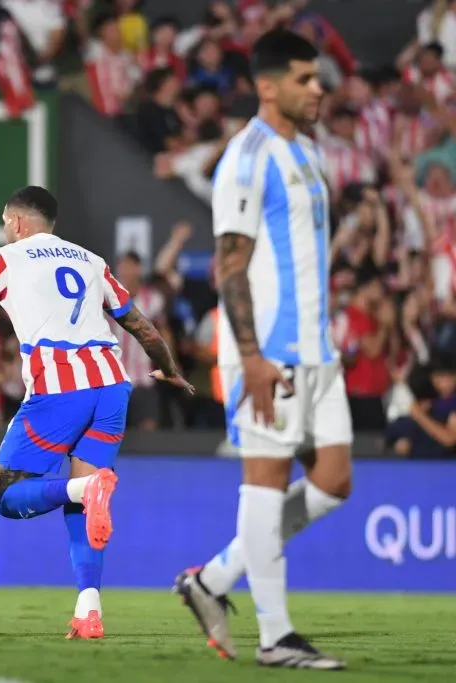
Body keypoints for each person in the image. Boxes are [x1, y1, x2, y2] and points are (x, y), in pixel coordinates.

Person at [0, 185, 192, 639]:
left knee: (6, 495)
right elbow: (141, 326)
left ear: (18, 223)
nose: (6, 231)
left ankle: (89, 495)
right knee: (81, 495)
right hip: (111, 385)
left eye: (6, 223)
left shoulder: (6, 259)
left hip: (60, 387)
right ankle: (89, 611)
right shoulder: (90, 260)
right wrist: (169, 370)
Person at [173, 30, 351, 670]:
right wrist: (249, 354)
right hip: (268, 350)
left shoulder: (304, 151)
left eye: (318, 77)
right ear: (267, 86)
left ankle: (213, 581)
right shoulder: (247, 157)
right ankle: (276, 636)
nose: (318, 87)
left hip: (317, 350)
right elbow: (230, 264)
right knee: (267, 485)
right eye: (305, 78)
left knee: (333, 483)